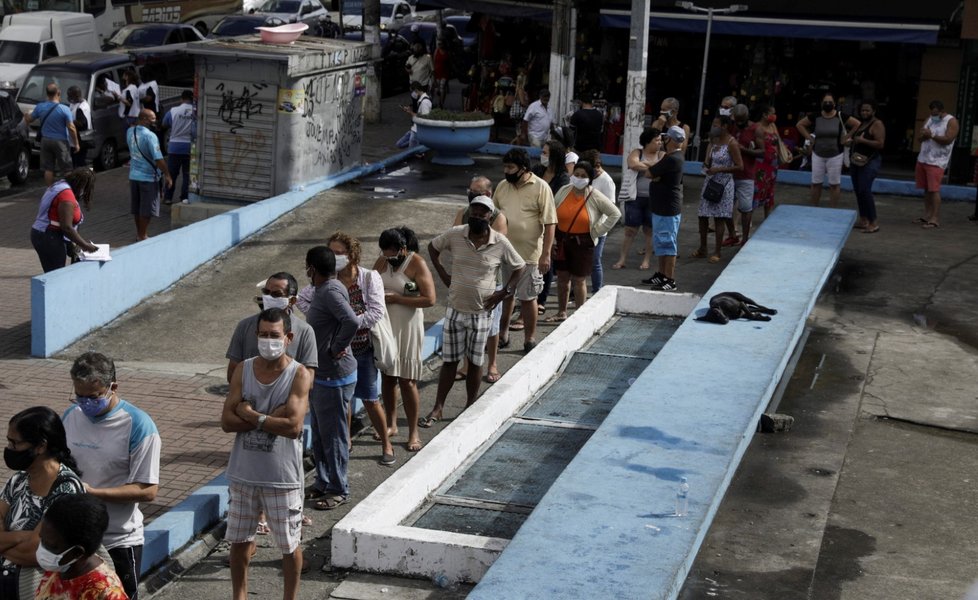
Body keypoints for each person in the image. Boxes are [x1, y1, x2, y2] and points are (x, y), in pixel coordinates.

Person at [221, 308, 311, 600]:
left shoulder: (298, 374)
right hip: (243, 474)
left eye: (274, 335)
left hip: (282, 479)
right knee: (238, 542)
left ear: (288, 337)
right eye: (263, 335)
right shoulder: (243, 370)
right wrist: (272, 417)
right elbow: (226, 421)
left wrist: (251, 414)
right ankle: (239, 596)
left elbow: (294, 427)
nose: (268, 341)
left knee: (288, 545)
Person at [65, 351, 161, 600]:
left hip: (118, 540)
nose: (85, 404)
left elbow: (147, 490)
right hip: (74, 540)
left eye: (93, 397)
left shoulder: (139, 425)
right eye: (79, 397)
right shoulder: (70, 417)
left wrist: (93, 493)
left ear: (112, 387)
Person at [425, 196, 525, 421]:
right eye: (474, 213)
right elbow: (432, 248)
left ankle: (470, 406)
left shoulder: (499, 242)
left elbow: (519, 267)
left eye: (483, 214)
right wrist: (443, 274)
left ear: (491, 216)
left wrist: (504, 292)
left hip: (481, 313)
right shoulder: (455, 234)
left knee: (476, 362)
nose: (477, 217)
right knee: (450, 362)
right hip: (455, 310)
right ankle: (438, 407)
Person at [0, 407, 85, 600]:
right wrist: (21, 537)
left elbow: (37, 551)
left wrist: (6, 539)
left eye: (15, 443)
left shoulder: (67, 489)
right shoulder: (19, 479)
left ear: (40, 446)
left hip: (38, 590)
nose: (9, 449)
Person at [328, 232, 395, 466]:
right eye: (331, 253)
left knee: (370, 398)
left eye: (339, 253)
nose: (335, 258)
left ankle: (386, 443)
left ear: (352, 255)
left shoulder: (369, 278)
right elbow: (308, 300)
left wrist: (350, 323)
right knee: (343, 400)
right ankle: (346, 441)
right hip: (338, 350)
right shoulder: (328, 278)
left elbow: (376, 311)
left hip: (363, 347)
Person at [303, 246, 358, 510]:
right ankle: (324, 481)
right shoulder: (326, 289)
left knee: (334, 436)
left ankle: (338, 489)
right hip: (322, 375)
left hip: (334, 376)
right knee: (321, 434)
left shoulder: (330, 292)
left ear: (312, 268)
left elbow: (351, 321)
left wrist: (335, 347)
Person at [374, 228, 435, 449]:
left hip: (408, 326)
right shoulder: (382, 261)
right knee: (388, 377)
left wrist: (398, 299)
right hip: (386, 326)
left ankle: (413, 432)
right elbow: (371, 285)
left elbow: (429, 299)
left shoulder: (416, 263)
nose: (388, 257)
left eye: (391, 254)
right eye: (384, 253)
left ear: (402, 249)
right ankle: (391, 424)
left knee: (407, 381)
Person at [493, 148, 557, 354]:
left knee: (528, 298)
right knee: (505, 296)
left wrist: (545, 254)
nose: (506, 171)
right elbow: (493, 216)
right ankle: (503, 335)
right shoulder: (503, 186)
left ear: (523, 169)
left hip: (529, 256)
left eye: (510, 167)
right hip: (503, 254)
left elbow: (550, 223)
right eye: (505, 166)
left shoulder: (541, 187)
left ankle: (529, 339)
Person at [547, 160, 620, 321]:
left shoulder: (595, 195)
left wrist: (597, 231)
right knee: (562, 277)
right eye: (576, 174)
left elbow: (615, 213)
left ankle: (580, 317)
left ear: (590, 179)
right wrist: (552, 239)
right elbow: (551, 211)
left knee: (579, 280)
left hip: (583, 242)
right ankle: (562, 312)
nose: (579, 178)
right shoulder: (564, 190)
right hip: (562, 239)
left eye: (583, 176)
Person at [453, 177, 508, 384]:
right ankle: (467, 365)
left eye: (477, 192)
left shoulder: (498, 218)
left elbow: (494, 248)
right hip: (465, 278)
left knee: (492, 327)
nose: (472, 195)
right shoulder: (463, 213)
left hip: (490, 281)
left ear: (488, 194)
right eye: (471, 191)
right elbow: (454, 239)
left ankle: (492, 363)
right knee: (468, 323)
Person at [227, 272, 318, 383]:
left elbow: (308, 379)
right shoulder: (245, 326)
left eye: (276, 294)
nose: (269, 297)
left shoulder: (305, 332)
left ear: (292, 300)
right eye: (266, 292)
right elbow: (233, 373)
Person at [34, 494, 127, 600]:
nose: (43, 549)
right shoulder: (60, 567)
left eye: (51, 546)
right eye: (42, 539)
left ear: (77, 553)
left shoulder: (106, 592)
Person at [795, 92, 860, 207]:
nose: (828, 104)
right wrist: (809, 137)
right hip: (818, 154)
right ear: (821, 104)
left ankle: (832, 209)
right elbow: (800, 125)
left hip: (835, 155)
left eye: (830, 102)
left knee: (834, 184)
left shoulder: (840, 116)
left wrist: (847, 137)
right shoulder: (816, 116)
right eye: (825, 102)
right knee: (816, 183)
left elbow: (857, 124)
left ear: (834, 104)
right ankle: (813, 208)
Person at [30, 168, 99, 273]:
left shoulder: (60, 185)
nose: (84, 192)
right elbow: (66, 227)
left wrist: (72, 243)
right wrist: (85, 245)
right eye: (86, 189)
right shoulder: (66, 196)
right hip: (49, 237)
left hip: (43, 234)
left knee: (52, 272)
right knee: (56, 274)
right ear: (81, 185)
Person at [694, 121, 742, 263]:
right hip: (710, 181)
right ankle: (703, 248)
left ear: (724, 126)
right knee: (702, 215)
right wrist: (707, 165)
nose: (714, 127)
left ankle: (717, 251)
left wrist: (719, 169)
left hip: (724, 183)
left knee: (719, 217)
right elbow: (708, 161)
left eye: (716, 124)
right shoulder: (713, 142)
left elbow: (740, 166)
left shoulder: (732, 143)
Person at [531, 139, 569, 316]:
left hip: (550, 223)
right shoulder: (538, 170)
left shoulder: (562, 177)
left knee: (546, 260)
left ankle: (541, 299)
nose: (542, 156)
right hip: (532, 220)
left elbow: (557, 202)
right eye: (542, 152)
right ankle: (529, 296)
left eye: (545, 153)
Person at [614, 128, 661, 271]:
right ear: (647, 142)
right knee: (630, 230)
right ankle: (622, 259)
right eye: (656, 140)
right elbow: (633, 164)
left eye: (660, 140)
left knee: (649, 231)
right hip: (635, 198)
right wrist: (652, 166)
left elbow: (662, 169)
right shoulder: (637, 152)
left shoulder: (662, 154)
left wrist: (646, 165)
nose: (659, 143)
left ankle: (646, 260)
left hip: (654, 199)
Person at [647, 126, 686, 292]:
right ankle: (662, 275)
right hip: (662, 207)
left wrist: (653, 173)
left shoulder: (671, 159)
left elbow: (649, 173)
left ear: (669, 139)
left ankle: (670, 279)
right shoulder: (672, 157)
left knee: (668, 244)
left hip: (667, 209)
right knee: (661, 243)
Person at [127, 109, 173, 241]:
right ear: (144, 119)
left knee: (137, 207)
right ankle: (142, 235)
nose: (155, 121)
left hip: (134, 176)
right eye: (152, 119)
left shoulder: (130, 131)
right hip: (148, 178)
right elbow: (158, 159)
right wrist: (167, 174)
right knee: (146, 209)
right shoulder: (150, 136)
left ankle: (139, 234)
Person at [24, 84, 80, 187]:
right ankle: (71, 191)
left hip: (45, 141)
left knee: (48, 169)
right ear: (58, 93)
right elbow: (71, 128)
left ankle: (50, 191)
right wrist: (76, 144)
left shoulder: (40, 107)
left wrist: (26, 114)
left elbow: (29, 119)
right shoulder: (64, 109)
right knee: (67, 168)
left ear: (47, 94)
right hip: (61, 142)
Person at [915, 99, 958, 229]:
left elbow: (948, 140)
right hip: (923, 158)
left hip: (937, 161)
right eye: (931, 113)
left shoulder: (951, 121)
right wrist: (924, 135)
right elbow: (920, 138)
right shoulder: (929, 119)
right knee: (926, 189)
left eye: (935, 113)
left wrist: (932, 135)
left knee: (934, 190)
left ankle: (935, 218)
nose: (933, 116)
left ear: (942, 111)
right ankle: (927, 215)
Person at [845, 100, 886, 233]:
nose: (865, 112)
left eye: (867, 110)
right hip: (856, 161)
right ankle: (864, 219)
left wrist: (863, 140)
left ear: (873, 111)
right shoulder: (861, 123)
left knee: (865, 190)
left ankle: (873, 222)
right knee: (858, 191)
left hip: (870, 162)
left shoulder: (877, 124)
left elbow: (880, 144)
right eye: (863, 110)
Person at [727, 104, 764, 246]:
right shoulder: (731, 126)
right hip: (730, 173)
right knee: (726, 208)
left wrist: (743, 150)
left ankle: (744, 239)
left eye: (741, 121)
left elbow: (762, 151)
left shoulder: (756, 129)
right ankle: (732, 234)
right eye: (737, 121)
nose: (739, 124)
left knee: (745, 208)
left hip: (746, 174)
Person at [580, 149, 617, 293]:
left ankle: (597, 290)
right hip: (583, 226)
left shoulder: (606, 181)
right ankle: (577, 289)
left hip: (598, 228)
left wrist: (601, 229)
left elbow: (611, 208)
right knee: (580, 260)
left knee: (595, 261)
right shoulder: (586, 178)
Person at [160, 90, 195, 205]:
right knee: (186, 175)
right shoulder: (195, 111)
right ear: (192, 99)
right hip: (189, 147)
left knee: (172, 174)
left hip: (174, 147)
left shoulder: (173, 111)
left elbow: (164, 124)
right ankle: (184, 198)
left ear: (181, 99)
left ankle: (168, 197)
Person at [753, 104, 780, 219]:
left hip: (773, 164)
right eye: (772, 113)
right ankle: (749, 217)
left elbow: (778, 142)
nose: (774, 116)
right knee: (757, 189)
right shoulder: (757, 127)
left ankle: (767, 217)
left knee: (770, 189)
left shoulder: (773, 126)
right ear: (764, 115)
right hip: (761, 163)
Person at [396, 81, 432, 150]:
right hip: (414, 128)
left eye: (413, 92)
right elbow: (420, 114)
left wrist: (410, 112)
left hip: (417, 131)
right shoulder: (421, 100)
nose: (412, 94)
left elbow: (424, 118)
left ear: (416, 90)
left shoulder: (425, 102)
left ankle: (419, 149)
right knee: (399, 144)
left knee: (410, 152)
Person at [66, 86, 91, 169]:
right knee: (78, 161)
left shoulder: (81, 108)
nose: (68, 98)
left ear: (75, 96)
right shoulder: (82, 103)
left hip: (80, 140)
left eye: (69, 96)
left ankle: (85, 178)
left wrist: (70, 122)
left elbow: (82, 123)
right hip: (78, 138)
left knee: (79, 162)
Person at [432, 38, 451, 108]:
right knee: (437, 89)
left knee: (442, 87)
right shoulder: (436, 51)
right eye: (438, 44)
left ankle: (441, 104)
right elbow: (433, 62)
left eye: (441, 44)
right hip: (437, 72)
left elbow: (449, 63)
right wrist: (433, 72)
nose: (439, 45)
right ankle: (439, 101)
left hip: (444, 73)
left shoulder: (447, 52)